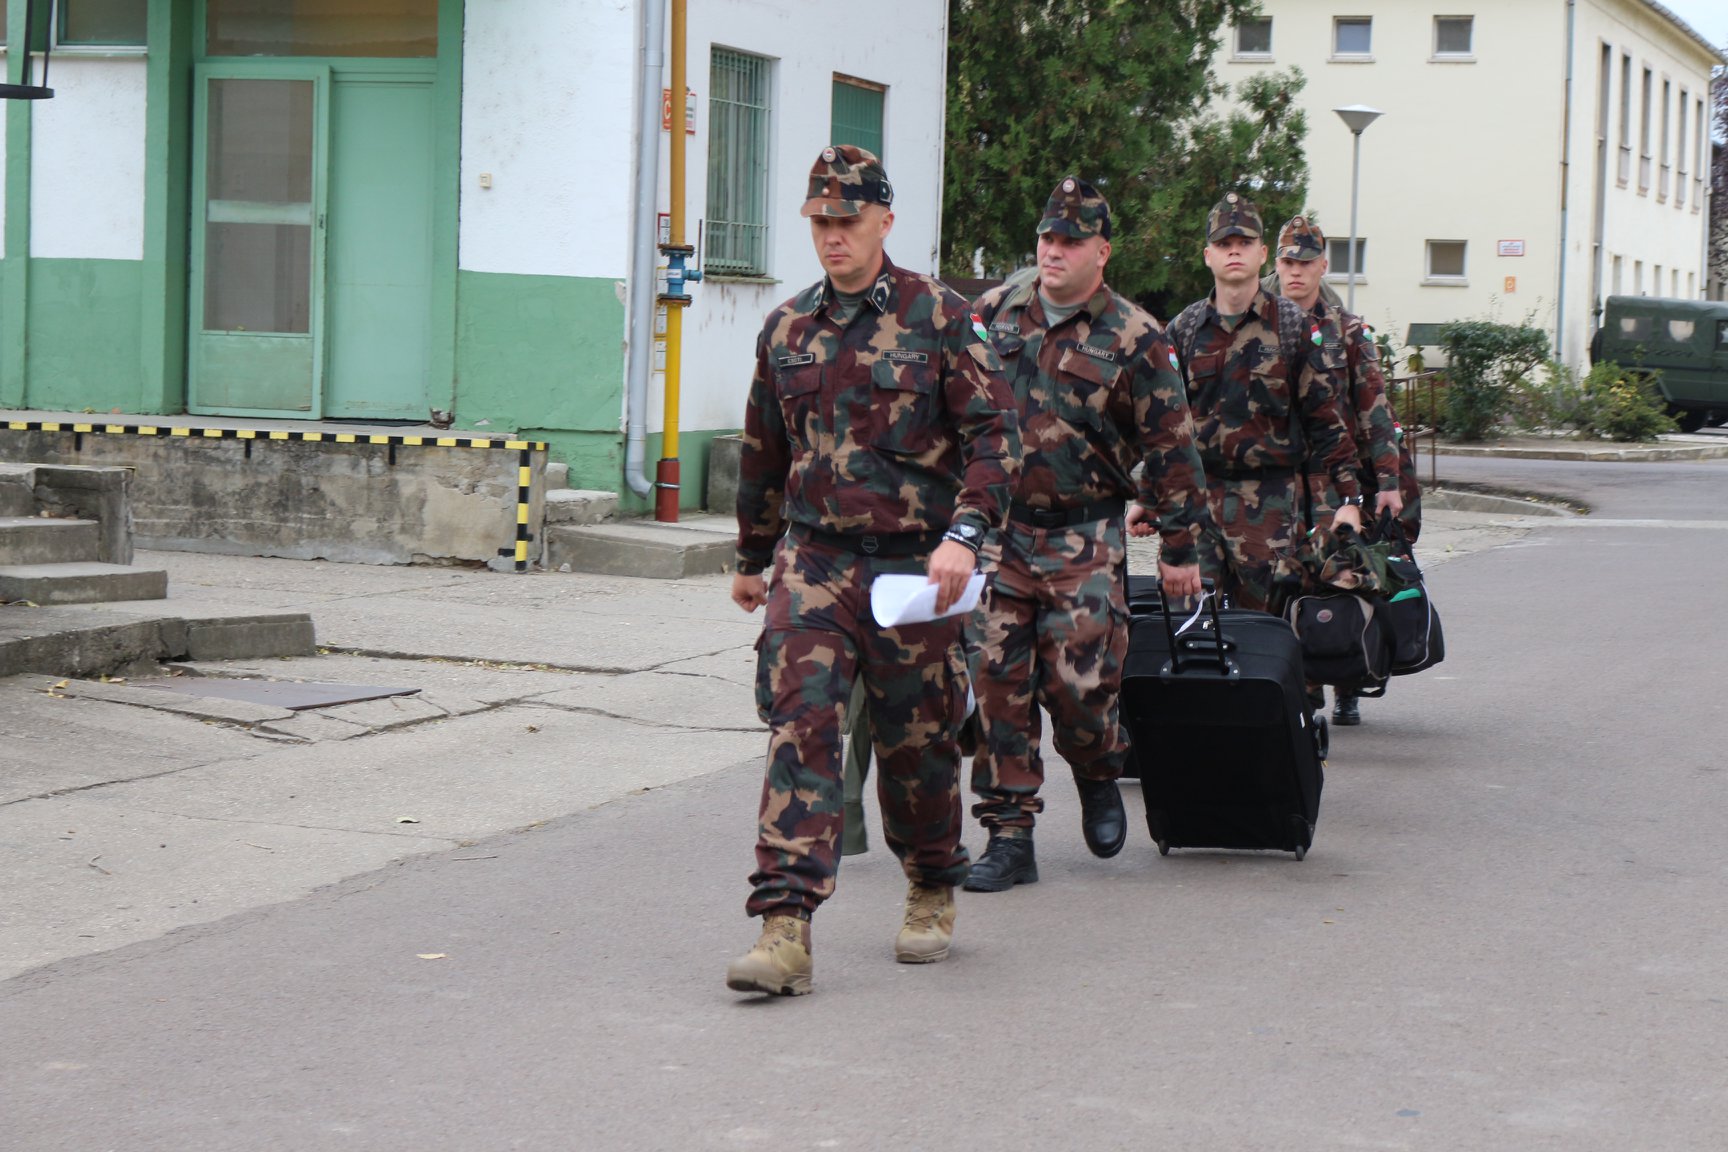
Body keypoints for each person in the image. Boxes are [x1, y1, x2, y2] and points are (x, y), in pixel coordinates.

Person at [726, 145, 1021, 996]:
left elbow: (994, 439)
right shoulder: (787, 328)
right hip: (814, 564)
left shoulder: (942, 317)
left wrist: (966, 534)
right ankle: (784, 926)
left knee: (916, 743)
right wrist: (752, 556)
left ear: (884, 221)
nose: (833, 235)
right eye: (821, 221)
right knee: (801, 725)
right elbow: (762, 450)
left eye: (848, 220)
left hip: (916, 569)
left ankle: (931, 881)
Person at [963, 177, 1210, 891]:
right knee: (998, 684)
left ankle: (1098, 767)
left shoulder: (1136, 337)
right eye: (1048, 237)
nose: (1054, 250)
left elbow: (1172, 448)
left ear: (1102, 251)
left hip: (1084, 536)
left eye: (1071, 241)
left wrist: (1180, 548)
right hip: (1002, 534)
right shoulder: (992, 313)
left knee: (1079, 688)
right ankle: (1009, 835)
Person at [1165, 193, 1364, 631]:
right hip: (1198, 504)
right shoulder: (1183, 329)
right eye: (1223, 243)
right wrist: (1148, 497)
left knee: (1264, 633)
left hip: (1268, 506)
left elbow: (1326, 420)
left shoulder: (1292, 326)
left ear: (1261, 254)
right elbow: (1164, 427)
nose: (1233, 251)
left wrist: (1350, 499)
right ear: (1207, 255)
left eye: (1244, 242)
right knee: (1190, 630)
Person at [1271, 214, 1407, 727]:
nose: (1296, 272)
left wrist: (1388, 482)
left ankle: (1348, 680)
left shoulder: (1347, 331)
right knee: (1290, 581)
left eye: (1306, 263)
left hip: (1335, 478)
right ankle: (1304, 689)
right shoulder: (1258, 325)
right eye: (1288, 262)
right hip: (1278, 479)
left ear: (1323, 266)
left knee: (1341, 578)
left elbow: (1375, 410)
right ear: (1276, 263)